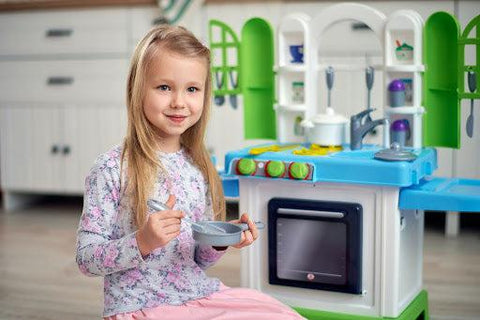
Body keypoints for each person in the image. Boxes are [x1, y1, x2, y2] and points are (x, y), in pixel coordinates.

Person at [76, 25, 304, 320]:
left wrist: (220, 239)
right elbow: (85, 259)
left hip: (197, 294)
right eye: (164, 87)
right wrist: (142, 241)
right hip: (140, 307)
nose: (179, 102)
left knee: (281, 314)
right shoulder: (112, 168)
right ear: (137, 89)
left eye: (192, 89)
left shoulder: (198, 168)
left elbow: (197, 260)